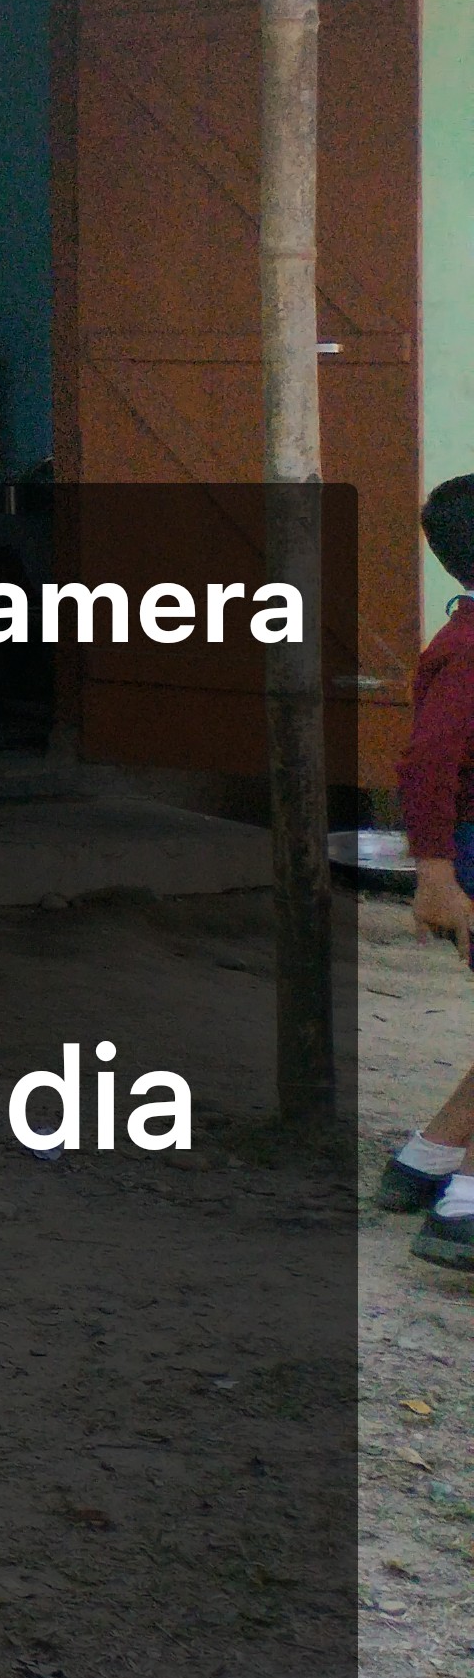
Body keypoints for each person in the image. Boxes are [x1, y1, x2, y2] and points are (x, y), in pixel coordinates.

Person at [377, 474, 474, 1265]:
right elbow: (429, 760)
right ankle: (464, 1211)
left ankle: (427, 1160)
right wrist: (434, 871)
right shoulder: (468, 650)